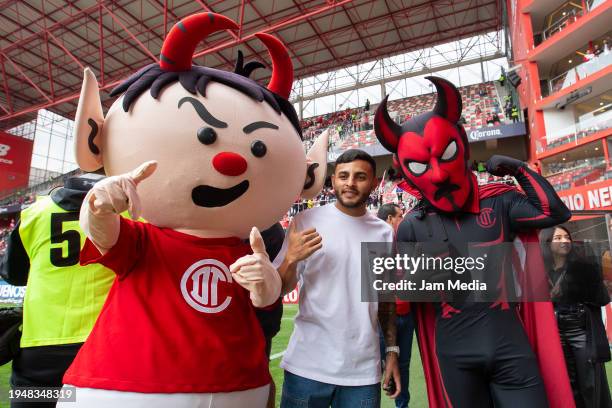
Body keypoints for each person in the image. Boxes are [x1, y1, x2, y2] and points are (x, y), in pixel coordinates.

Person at [61, 12, 329, 407]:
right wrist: (99, 204)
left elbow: (268, 300)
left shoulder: (246, 245)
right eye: (206, 136)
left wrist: (267, 281)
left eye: (258, 148)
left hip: (235, 383)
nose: (230, 163)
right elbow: (104, 234)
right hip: (135, 384)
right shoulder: (145, 239)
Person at [374, 76, 574, 408]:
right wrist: (393, 352)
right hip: (456, 354)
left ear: (461, 143)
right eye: (422, 165)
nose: (437, 174)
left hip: (510, 348)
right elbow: (397, 298)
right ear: (406, 171)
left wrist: (518, 169)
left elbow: (555, 212)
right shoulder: (411, 226)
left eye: (445, 154)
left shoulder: (499, 202)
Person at [275, 149, 400, 408]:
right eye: (343, 176)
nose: (350, 183)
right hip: (306, 367)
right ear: (333, 181)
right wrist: (291, 258)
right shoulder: (306, 220)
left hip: (362, 372)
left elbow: (385, 299)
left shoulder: (384, 233)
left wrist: (392, 352)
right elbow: (279, 288)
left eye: (360, 176)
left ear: (374, 182)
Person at [0, 174, 115, 408]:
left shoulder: (33, 214)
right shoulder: (134, 216)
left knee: (32, 400)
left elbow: (13, 275)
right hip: (104, 347)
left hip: (39, 351)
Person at [540, 226, 611, 408]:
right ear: (547, 243)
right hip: (554, 331)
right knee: (567, 382)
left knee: (589, 382)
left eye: (567, 237)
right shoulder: (542, 271)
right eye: (558, 238)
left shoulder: (584, 266)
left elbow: (602, 298)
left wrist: (578, 288)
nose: (564, 241)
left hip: (580, 329)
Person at [377, 203, 414, 408]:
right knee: (377, 366)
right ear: (390, 218)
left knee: (404, 364)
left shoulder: (404, 242)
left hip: (406, 314)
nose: (403, 219)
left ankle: (403, 405)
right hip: (382, 317)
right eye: (400, 216)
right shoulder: (375, 241)